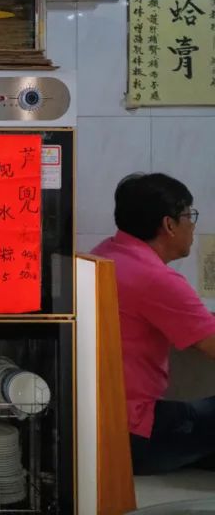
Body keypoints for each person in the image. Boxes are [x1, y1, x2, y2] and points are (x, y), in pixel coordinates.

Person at [91, 173, 215, 476]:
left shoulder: (106, 253)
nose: (193, 226)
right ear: (169, 225)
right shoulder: (155, 279)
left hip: (102, 427)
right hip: (136, 434)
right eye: (189, 215)